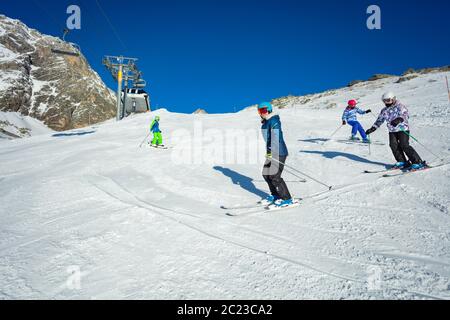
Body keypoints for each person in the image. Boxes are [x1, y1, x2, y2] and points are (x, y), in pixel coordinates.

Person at [365, 92, 426, 170]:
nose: (386, 102)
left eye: (388, 100)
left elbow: (405, 115)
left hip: (402, 129)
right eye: (384, 101)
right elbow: (379, 120)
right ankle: (402, 161)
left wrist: (399, 119)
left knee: (404, 145)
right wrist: (373, 128)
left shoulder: (400, 106)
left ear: (393, 99)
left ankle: (418, 162)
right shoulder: (384, 110)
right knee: (393, 145)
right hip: (392, 130)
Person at [258, 102, 294, 207]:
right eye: (260, 111)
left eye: (263, 110)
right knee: (266, 174)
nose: (261, 113)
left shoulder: (274, 120)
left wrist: (270, 150)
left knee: (274, 176)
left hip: (279, 151)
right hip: (271, 152)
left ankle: (287, 199)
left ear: (269, 110)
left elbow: (275, 136)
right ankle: (275, 195)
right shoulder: (265, 122)